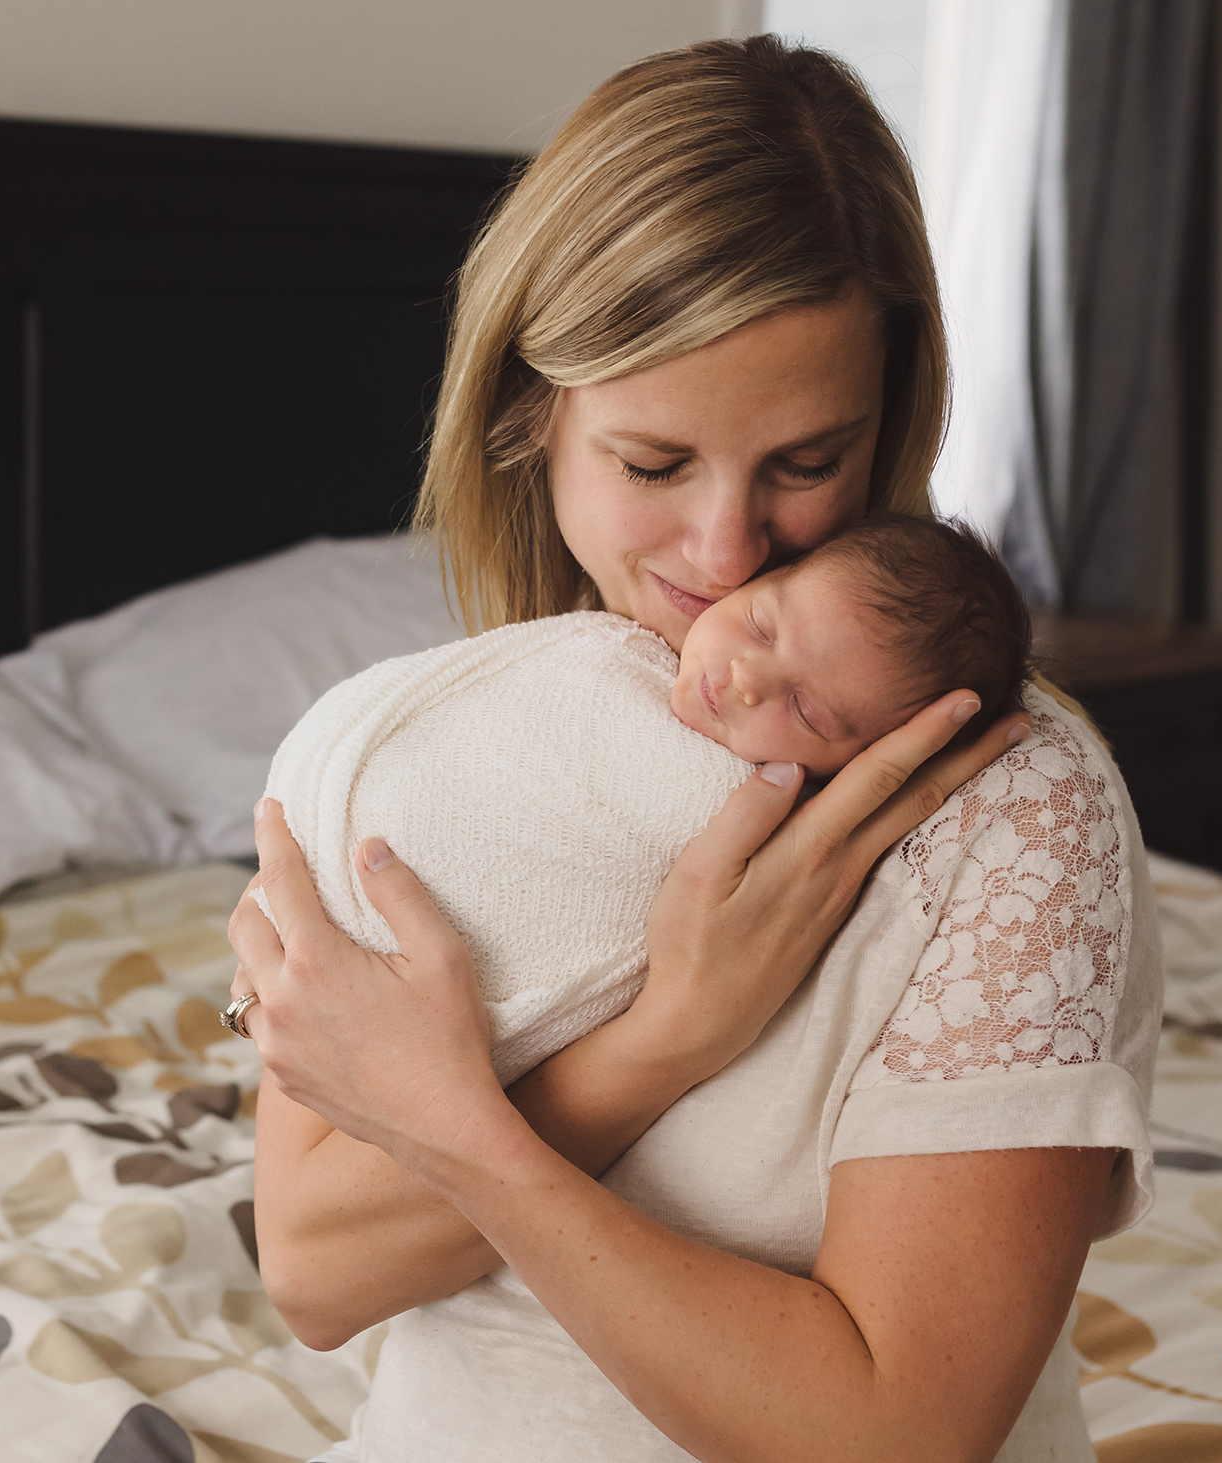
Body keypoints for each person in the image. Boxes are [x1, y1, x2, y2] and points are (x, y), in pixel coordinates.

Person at [222, 35, 1161, 1463]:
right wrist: (669, 1032)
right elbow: (313, 1272)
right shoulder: (437, 754)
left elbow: (895, 1432)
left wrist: (464, 1132)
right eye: (656, 464)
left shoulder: (1007, 795)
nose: (728, 553)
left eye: (805, 461)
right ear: (530, 420)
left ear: (886, 420)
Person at [248, 514, 1030, 1088]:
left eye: (809, 713)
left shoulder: (759, 828)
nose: (748, 678)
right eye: (761, 622)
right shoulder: (601, 653)